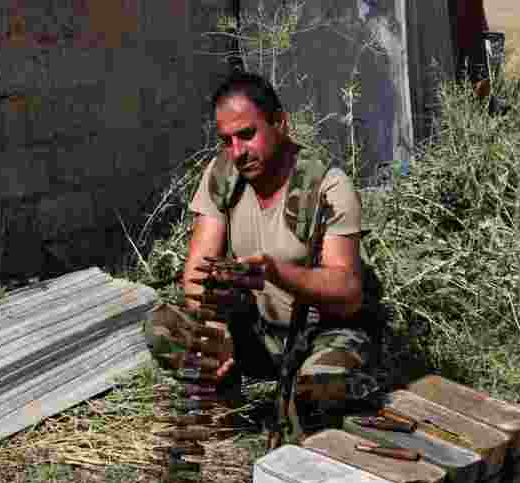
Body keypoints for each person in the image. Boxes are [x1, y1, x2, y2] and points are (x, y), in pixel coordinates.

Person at [144, 71, 381, 439]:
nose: (237, 152)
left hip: (320, 332)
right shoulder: (223, 175)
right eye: (226, 140)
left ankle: (313, 414)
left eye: (247, 134)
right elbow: (195, 275)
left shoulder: (327, 187)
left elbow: (348, 291)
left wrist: (276, 272)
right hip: (257, 331)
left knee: (319, 388)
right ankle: (229, 408)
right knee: (164, 325)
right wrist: (216, 326)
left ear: (279, 123)